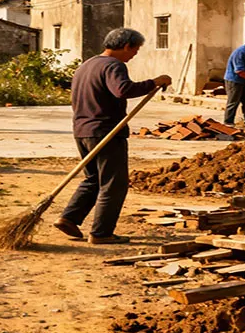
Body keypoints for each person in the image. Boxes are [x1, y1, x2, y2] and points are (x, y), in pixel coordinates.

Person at [53, 28, 171, 244]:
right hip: (106, 131)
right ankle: (101, 233)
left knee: (93, 179)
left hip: (82, 130)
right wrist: (154, 82)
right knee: (113, 184)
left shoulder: (87, 65)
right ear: (126, 45)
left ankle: (69, 218)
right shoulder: (113, 65)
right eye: (134, 50)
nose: (134, 54)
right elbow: (123, 90)